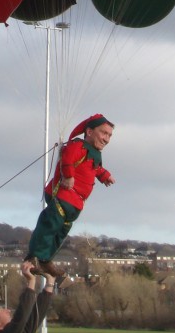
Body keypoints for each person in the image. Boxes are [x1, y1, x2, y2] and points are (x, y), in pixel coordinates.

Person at [24, 113, 115, 278]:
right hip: (63, 197)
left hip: (76, 204)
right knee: (49, 226)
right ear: (89, 131)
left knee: (60, 234)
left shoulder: (93, 153)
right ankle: (35, 257)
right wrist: (68, 175)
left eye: (109, 135)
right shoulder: (77, 146)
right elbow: (67, 159)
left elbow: (94, 168)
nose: (107, 139)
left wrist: (104, 175)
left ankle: (45, 260)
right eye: (103, 133)